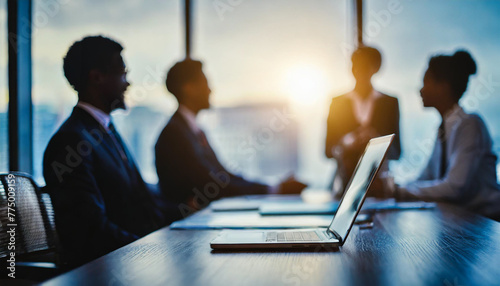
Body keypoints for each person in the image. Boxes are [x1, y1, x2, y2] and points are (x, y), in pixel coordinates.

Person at [43, 36, 167, 268]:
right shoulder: (70, 142)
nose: (127, 83)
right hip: (108, 271)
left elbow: (142, 200)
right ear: (97, 77)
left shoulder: (104, 131)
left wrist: (185, 215)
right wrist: (151, 249)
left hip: (132, 262)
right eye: (122, 73)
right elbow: (91, 231)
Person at [155, 59, 306, 218]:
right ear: (189, 89)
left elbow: (223, 175)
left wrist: (272, 187)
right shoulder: (175, 135)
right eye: (205, 83)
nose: (210, 90)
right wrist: (274, 189)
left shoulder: (192, 130)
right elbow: (213, 184)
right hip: (183, 227)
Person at [393, 50, 500, 220]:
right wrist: (393, 188)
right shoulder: (444, 128)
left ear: (443, 86)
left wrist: (396, 191)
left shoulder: (469, 125)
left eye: (426, 82)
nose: (420, 90)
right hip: (460, 221)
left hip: (486, 223)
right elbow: (426, 177)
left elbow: (454, 187)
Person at [325, 46, 401, 198]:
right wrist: (347, 142)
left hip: (378, 187)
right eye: (355, 64)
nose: (359, 70)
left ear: (376, 68)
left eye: (365, 65)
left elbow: (397, 152)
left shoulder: (390, 103)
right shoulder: (337, 103)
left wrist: (377, 140)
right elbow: (327, 150)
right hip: (344, 187)